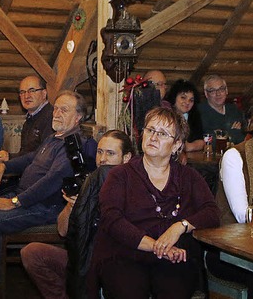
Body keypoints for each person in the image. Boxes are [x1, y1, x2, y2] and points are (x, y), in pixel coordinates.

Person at [90, 107, 220, 299]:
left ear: (177, 145)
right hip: (126, 254)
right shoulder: (120, 175)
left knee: (175, 289)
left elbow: (212, 213)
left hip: (174, 257)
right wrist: (156, 246)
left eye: (162, 133)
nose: (153, 137)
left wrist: (179, 227)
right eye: (150, 130)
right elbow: (112, 220)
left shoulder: (188, 177)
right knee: (129, 291)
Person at [0, 90, 88, 295]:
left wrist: (15, 202)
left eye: (64, 110)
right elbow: (31, 158)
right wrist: (5, 166)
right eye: (56, 108)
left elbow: (50, 182)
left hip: (46, 206)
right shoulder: (54, 137)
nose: (56, 113)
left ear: (78, 118)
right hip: (25, 197)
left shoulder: (73, 145)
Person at [20, 130, 133, 299]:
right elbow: (62, 231)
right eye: (100, 152)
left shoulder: (131, 187)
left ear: (126, 158)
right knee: (32, 253)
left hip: (112, 262)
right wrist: (73, 205)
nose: (102, 159)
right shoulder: (89, 181)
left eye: (110, 153)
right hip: (81, 258)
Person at [0, 75, 54, 162]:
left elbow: (43, 157)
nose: (26, 96)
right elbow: (25, 154)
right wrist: (8, 157)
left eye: (32, 91)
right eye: (22, 92)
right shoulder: (30, 118)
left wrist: (10, 158)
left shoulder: (51, 117)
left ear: (44, 93)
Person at [199, 74, 245, 145]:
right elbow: (208, 142)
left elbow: (243, 139)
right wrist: (232, 132)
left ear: (226, 91)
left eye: (221, 89)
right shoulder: (199, 113)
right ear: (206, 94)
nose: (218, 94)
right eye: (212, 91)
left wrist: (222, 135)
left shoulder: (234, 110)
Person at [164, 79, 205, 152]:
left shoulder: (194, 116)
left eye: (191, 100)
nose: (187, 102)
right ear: (174, 97)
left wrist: (189, 147)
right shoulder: (166, 115)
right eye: (183, 97)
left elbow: (201, 141)